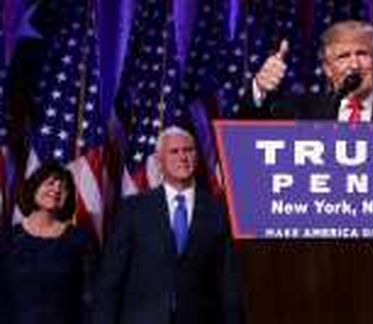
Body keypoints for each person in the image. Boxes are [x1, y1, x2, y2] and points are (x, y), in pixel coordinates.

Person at [94, 126, 244, 324]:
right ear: (159, 161)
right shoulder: (134, 210)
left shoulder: (218, 212)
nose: (183, 157)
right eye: (174, 151)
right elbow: (111, 280)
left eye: (188, 150)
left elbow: (229, 283)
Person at [250, 19, 373, 121]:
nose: (354, 65)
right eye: (343, 56)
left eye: (362, 54)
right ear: (327, 69)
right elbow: (248, 134)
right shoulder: (301, 113)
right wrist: (259, 89)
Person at [0, 161, 97, 324]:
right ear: (34, 188)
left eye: (63, 187)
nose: (57, 189)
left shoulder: (80, 240)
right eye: (50, 183)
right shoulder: (7, 239)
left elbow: (89, 297)